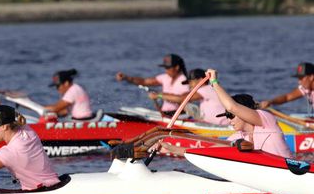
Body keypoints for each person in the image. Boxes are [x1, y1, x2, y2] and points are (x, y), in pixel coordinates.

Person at [160, 69, 292, 158]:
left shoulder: (265, 119)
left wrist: (214, 82)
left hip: (290, 174)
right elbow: (206, 152)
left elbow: (232, 106)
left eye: (230, 115)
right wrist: (172, 149)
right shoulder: (238, 137)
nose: (229, 120)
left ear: (244, 111)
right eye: (227, 116)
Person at [147, 68, 229, 125]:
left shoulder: (206, 88)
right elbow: (181, 98)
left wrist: (159, 95)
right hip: (214, 124)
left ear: (201, 80)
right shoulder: (210, 88)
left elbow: (181, 98)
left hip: (222, 126)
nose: (189, 84)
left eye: (191, 81)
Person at [116, 53, 190, 115]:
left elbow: (181, 99)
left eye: (168, 68)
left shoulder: (185, 81)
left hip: (179, 115)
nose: (166, 70)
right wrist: (126, 78)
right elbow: (144, 82)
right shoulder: (165, 77)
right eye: (165, 68)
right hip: (165, 114)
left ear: (177, 67)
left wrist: (159, 95)